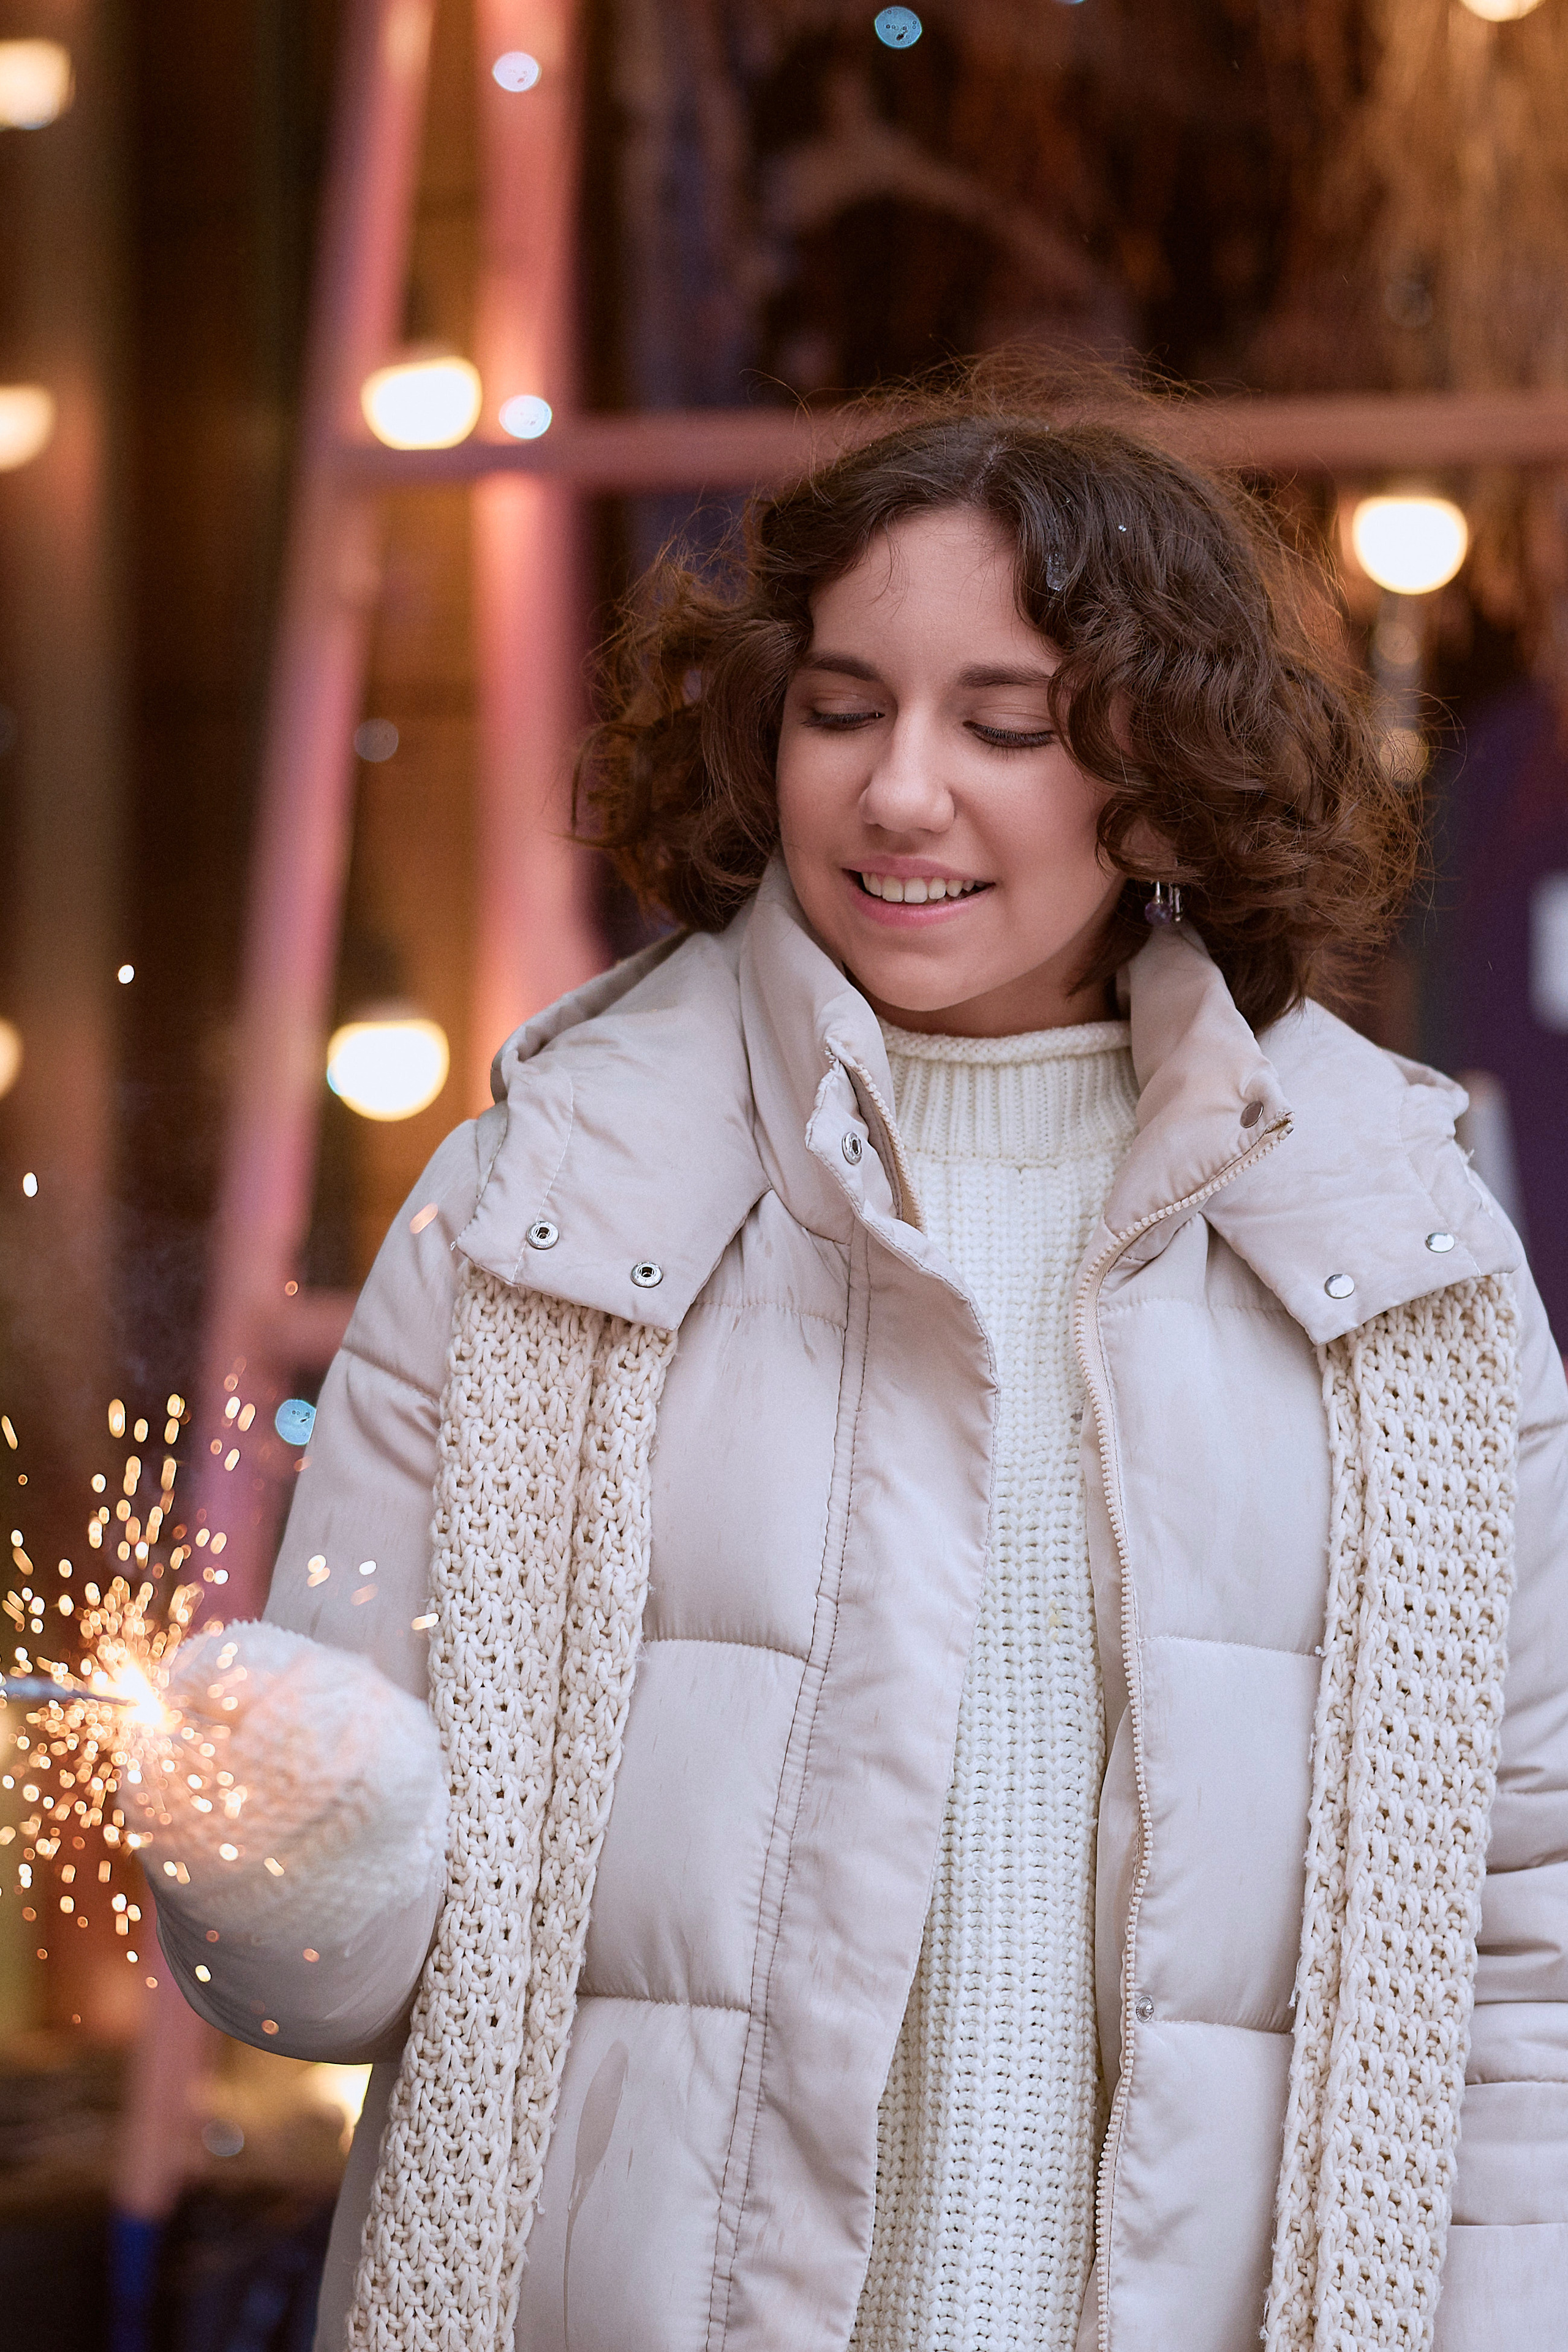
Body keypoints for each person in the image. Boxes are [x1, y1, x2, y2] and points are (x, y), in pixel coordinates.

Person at [140, 368, 1568, 2352]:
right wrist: (277, 1826)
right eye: (840, 710)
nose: (899, 791)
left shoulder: (1394, 1247)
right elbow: (324, 1980)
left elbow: (1527, 1960)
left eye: (1005, 726)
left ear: (1166, 775)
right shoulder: (546, 1205)